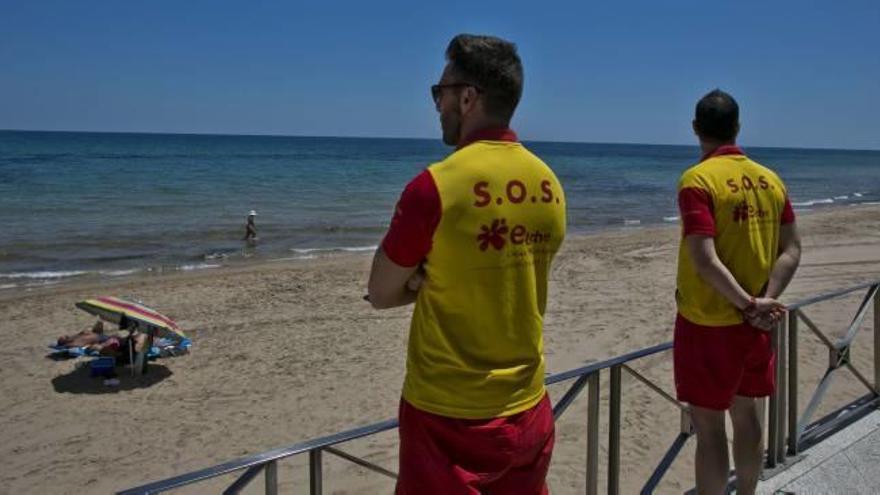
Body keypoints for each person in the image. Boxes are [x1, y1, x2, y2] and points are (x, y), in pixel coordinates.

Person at [367, 34, 566, 494]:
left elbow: (379, 293)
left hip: (447, 416)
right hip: (528, 406)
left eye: (440, 93)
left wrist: (423, 280)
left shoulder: (435, 186)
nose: (436, 105)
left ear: (468, 97)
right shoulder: (549, 184)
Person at [673, 89, 801, 494]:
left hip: (709, 320)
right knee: (747, 415)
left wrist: (747, 303)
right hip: (756, 322)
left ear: (696, 128)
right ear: (738, 127)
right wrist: (765, 301)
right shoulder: (770, 180)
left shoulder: (698, 180)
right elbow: (792, 249)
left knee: (710, 428)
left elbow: (704, 259)